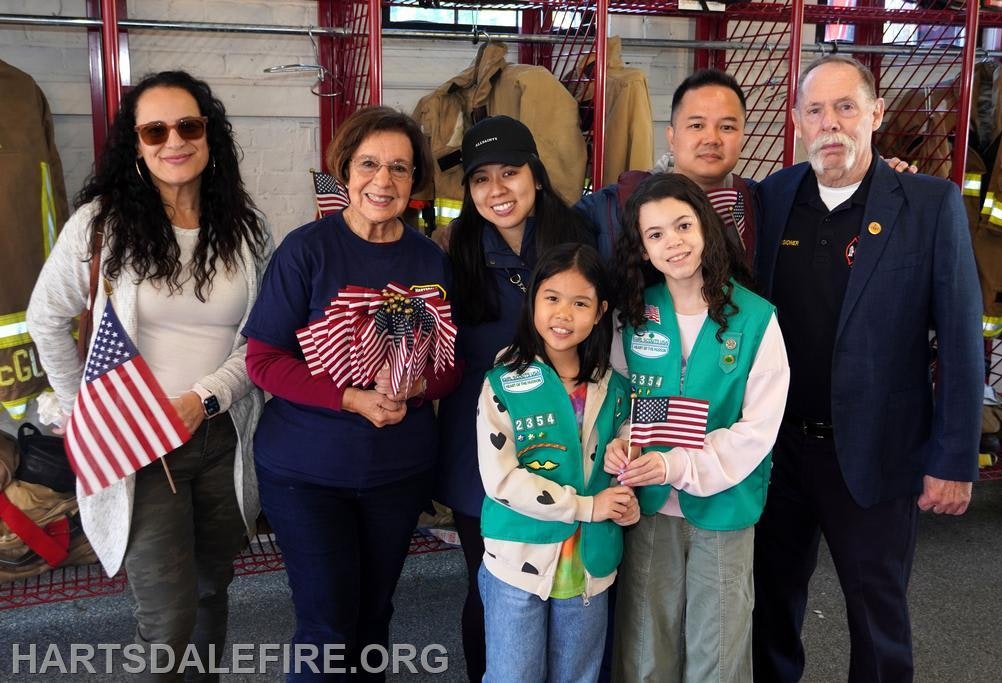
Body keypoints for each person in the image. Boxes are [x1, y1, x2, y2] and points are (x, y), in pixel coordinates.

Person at [27, 70, 270, 677]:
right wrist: (81, 409)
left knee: (214, 591)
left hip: (222, 438)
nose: (173, 141)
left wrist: (204, 400)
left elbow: (259, 345)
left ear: (208, 134)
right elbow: (45, 317)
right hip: (139, 450)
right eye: (154, 130)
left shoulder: (244, 229)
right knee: (168, 619)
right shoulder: (100, 226)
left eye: (187, 125)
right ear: (135, 145)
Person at [751, 55, 984, 683]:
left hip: (879, 454)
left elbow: (962, 340)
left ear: (876, 115)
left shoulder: (931, 205)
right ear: (796, 121)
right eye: (816, 110)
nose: (832, 124)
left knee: (878, 616)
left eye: (846, 107)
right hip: (777, 454)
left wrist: (953, 459)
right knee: (769, 608)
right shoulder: (770, 200)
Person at [242, 105, 458, 681]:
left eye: (399, 168)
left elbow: (449, 368)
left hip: (397, 472)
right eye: (368, 164)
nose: (382, 181)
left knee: (374, 618)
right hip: (306, 473)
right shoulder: (306, 250)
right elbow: (263, 360)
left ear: (416, 181)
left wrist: (416, 384)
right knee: (326, 626)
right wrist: (350, 399)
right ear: (344, 169)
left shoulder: (429, 258)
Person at [604, 172, 789, 682]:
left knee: (719, 647)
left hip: (724, 506)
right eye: (656, 234)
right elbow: (621, 402)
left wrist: (676, 463)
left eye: (683, 225)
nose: (673, 243)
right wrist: (622, 444)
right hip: (648, 507)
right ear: (642, 250)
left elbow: (757, 429)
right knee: (645, 643)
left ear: (706, 227)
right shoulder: (636, 316)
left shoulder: (755, 319)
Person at [435, 115, 595, 682]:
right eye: (481, 179)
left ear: (536, 173)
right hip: (483, 452)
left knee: (577, 587)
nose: (496, 190)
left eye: (510, 172)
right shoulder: (457, 252)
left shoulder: (581, 235)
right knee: (495, 586)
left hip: (570, 440)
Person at [476, 242, 639, 682]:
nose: (563, 314)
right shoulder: (505, 381)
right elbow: (501, 480)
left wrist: (626, 450)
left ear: (601, 311)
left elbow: (630, 438)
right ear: (533, 300)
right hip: (518, 561)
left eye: (580, 302)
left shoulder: (615, 386)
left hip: (589, 565)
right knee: (514, 676)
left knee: (579, 676)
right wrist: (587, 506)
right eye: (551, 298)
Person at [576, 69, 757, 260]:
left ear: (742, 138)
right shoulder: (610, 207)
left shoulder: (756, 203)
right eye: (697, 125)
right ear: (672, 137)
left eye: (727, 127)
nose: (712, 139)